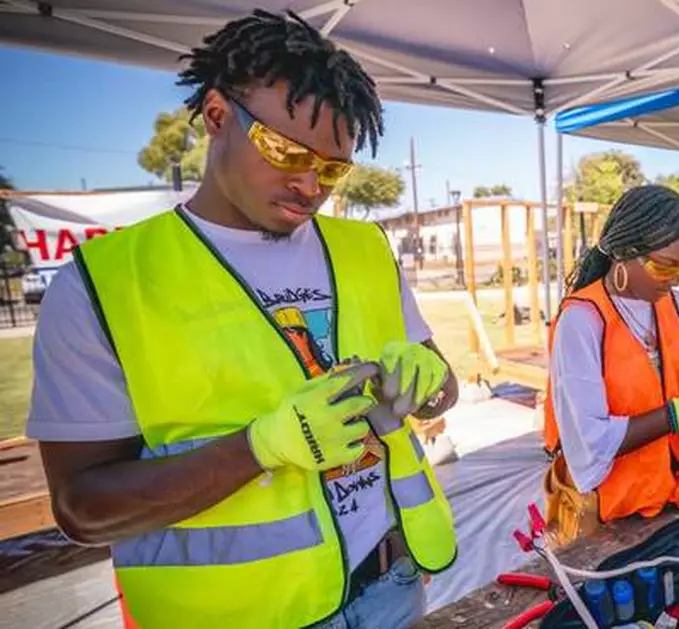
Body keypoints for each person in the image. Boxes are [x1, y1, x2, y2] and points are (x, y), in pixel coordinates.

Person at [26, 10, 459, 629]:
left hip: (393, 582)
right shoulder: (104, 283)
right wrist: (261, 447)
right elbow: (82, 509)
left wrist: (426, 382)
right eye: (285, 151)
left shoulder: (364, 249)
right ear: (217, 115)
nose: (310, 185)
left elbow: (442, 389)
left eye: (333, 168)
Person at [543, 185, 679, 534]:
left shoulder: (674, 305)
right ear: (624, 255)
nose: (675, 280)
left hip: (673, 500)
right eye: (664, 267)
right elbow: (591, 439)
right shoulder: (582, 321)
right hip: (610, 516)